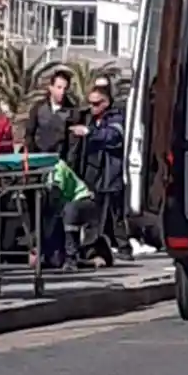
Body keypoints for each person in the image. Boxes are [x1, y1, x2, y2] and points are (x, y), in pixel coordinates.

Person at [72, 86, 130, 261]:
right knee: (93, 213)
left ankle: (124, 247)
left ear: (106, 102)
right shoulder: (89, 117)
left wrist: (89, 132)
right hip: (93, 172)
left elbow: (113, 137)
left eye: (96, 103)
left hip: (110, 172)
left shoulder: (115, 117)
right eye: (90, 103)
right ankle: (92, 248)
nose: (92, 107)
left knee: (115, 213)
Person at [24, 72, 74, 155]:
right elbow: (29, 133)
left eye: (65, 88)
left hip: (59, 158)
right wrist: (32, 153)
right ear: (51, 88)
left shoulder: (72, 112)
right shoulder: (38, 107)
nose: (62, 92)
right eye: (59, 87)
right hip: (38, 156)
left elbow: (72, 142)